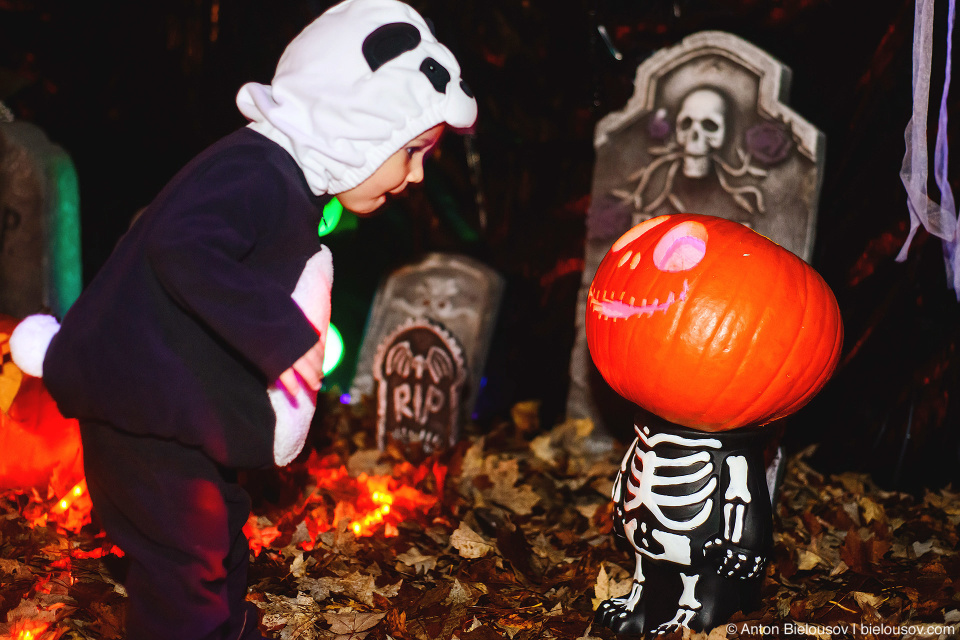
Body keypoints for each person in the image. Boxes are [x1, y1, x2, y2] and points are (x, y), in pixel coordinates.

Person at [9, 0, 476, 638]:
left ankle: (225, 624)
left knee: (217, 527)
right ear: (358, 123)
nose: (417, 175)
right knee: (181, 557)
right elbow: (178, 241)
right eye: (412, 151)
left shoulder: (285, 177)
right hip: (136, 409)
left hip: (170, 407)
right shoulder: (254, 170)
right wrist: (282, 337)